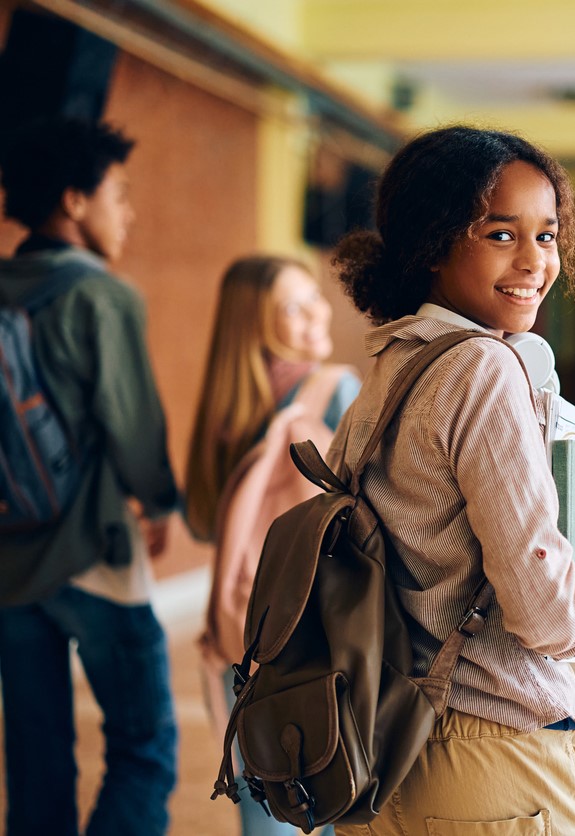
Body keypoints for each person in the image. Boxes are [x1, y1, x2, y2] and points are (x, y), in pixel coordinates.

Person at [327, 125, 575, 835]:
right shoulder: (484, 368)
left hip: (384, 750)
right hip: (493, 761)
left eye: (548, 236)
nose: (534, 262)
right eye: (501, 235)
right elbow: (549, 617)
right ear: (433, 243)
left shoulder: (391, 368)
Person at [0, 118, 179, 835]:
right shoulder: (100, 295)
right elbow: (133, 427)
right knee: (144, 751)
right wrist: (163, 502)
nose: (127, 213)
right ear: (74, 201)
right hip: (94, 552)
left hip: (9, 564)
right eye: (119, 196)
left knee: (36, 766)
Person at [184, 255, 360, 836]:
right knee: (330, 796)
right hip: (313, 638)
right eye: (293, 304)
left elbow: (204, 523)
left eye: (313, 296)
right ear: (253, 322)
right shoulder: (335, 391)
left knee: (267, 814)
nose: (316, 312)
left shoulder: (223, 413)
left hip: (240, 636)